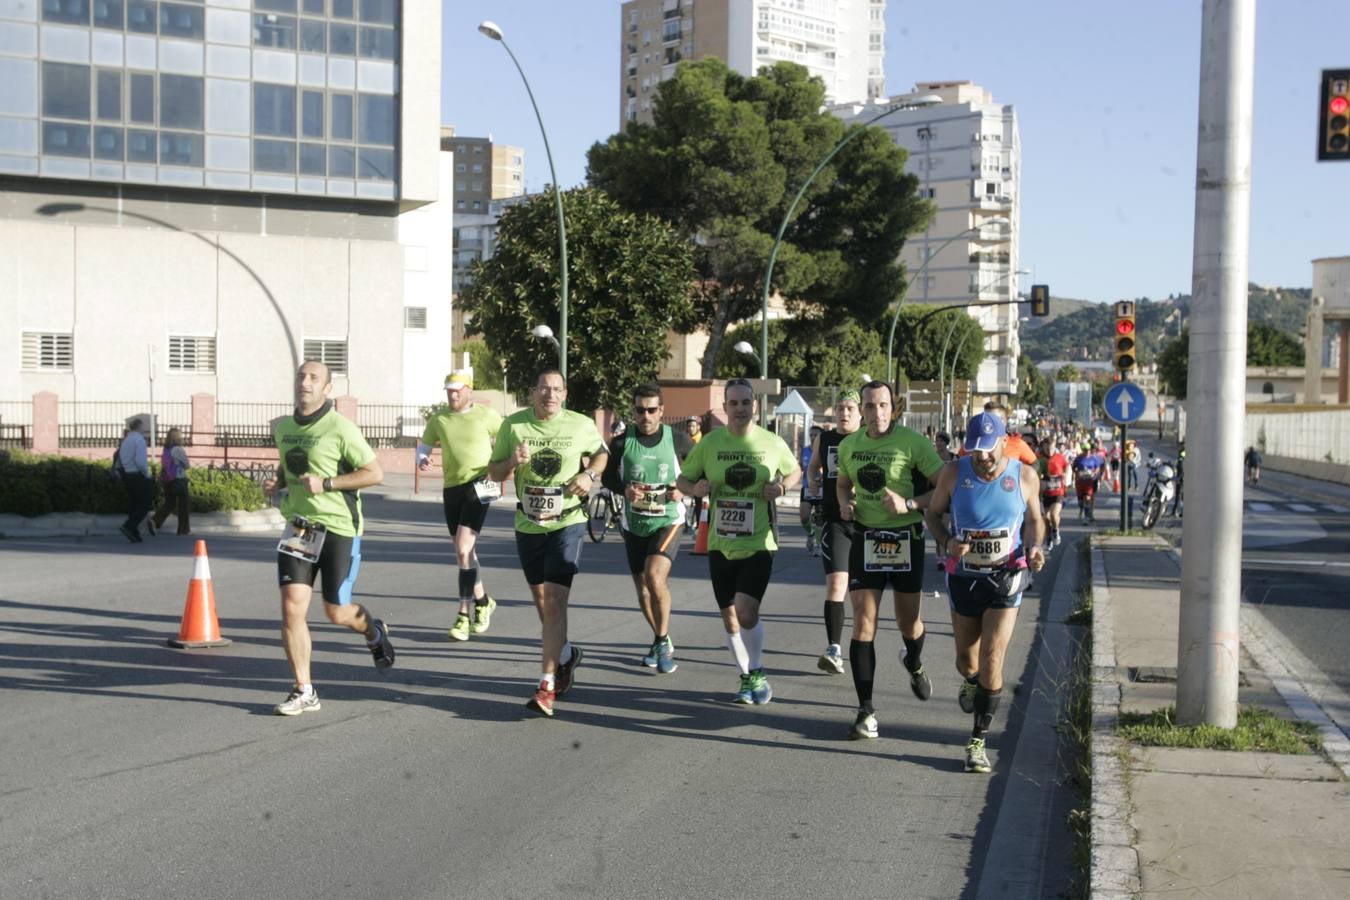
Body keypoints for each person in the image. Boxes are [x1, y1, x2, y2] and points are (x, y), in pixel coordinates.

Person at [265, 360, 392, 717]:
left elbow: (374, 472)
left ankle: (373, 630)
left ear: (327, 388)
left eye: (313, 378)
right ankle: (303, 689)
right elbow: (291, 464)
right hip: (300, 529)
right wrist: (279, 481)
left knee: (336, 611)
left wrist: (329, 484)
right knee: (292, 607)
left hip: (339, 528)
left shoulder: (341, 428)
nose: (304, 382)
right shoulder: (285, 427)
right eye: (301, 376)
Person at [924, 411, 1046, 773]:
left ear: (1003, 442)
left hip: (1007, 576)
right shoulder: (953, 474)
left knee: (993, 657)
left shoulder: (1024, 476)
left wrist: (1035, 547)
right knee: (968, 662)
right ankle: (973, 682)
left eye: (989, 449)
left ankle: (978, 740)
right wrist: (947, 541)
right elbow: (932, 515)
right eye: (976, 450)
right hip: (963, 576)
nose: (984, 457)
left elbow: (1035, 519)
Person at [488, 368, 608, 718]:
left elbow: (601, 453)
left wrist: (589, 475)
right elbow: (493, 473)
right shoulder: (514, 425)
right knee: (543, 604)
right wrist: (513, 461)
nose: (549, 395)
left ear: (565, 394)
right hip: (528, 522)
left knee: (555, 602)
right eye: (544, 389)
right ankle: (567, 655)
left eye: (556, 389)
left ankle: (546, 685)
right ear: (533, 391)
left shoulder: (580, 424)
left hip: (567, 520)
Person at [676, 378, 800, 705]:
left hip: (760, 540)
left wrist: (782, 487)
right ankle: (746, 676)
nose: (740, 409)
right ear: (725, 408)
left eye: (746, 402)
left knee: (746, 610)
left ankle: (757, 669)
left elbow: (795, 471)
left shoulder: (771, 442)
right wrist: (694, 489)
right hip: (720, 542)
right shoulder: (711, 443)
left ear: (755, 406)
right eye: (734, 403)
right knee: (729, 615)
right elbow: (683, 479)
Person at [835, 380, 945, 740]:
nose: (877, 412)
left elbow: (942, 484)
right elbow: (842, 484)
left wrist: (909, 504)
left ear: (893, 408)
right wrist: (844, 503)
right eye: (870, 406)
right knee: (863, 623)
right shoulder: (850, 445)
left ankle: (913, 660)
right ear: (862, 409)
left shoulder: (913, 442)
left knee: (908, 621)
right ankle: (866, 710)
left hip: (905, 538)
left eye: (883, 405)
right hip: (866, 537)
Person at [601, 383, 686, 674]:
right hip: (634, 522)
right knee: (643, 590)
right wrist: (625, 490)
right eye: (640, 410)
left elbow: (701, 470)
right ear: (633, 411)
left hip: (669, 519)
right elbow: (607, 478)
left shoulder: (678, 439)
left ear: (661, 411)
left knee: (654, 575)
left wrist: (684, 489)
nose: (645, 415)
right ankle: (661, 638)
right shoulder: (622, 442)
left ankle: (662, 643)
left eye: (651, 410)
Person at [418, 369, 503, 642]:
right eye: (449, 390)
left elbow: (507, 438)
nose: (452, 394)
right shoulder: (439, 419)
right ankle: (483, 601)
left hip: (482, 483)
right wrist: (423, 458)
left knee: (463, 547)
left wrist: (501, 465)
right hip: (452, 487)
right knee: (464, 552)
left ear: (469, 390)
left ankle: (463, 615)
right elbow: (425, 445)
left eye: (457, 390)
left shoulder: (486, 415)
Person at [807, 390, 861, 675]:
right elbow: (814, 465)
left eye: (850, 407)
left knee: (861, 593)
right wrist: (813, 483)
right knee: (837, 584)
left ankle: (862, 644)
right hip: (834, 519)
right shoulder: (825, 438)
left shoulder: (869, 439)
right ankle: (833, 648)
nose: (844, 413)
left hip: (866, 522)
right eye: (840, 407)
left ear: (860, 412)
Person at [116, 418, 153, 543]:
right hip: (138, 475)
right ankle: (129, 525)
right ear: (139, 427)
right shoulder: (139, 440)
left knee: (134, 503)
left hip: (127, 474)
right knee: (145, 503)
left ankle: (134, 532)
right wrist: (147, 474)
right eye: (143, 426)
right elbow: (140, 460)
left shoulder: (126, 440)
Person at [151, 427, 191, 535]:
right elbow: (187, 465)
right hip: (179, 480)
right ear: (178, 437)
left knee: (169, 503)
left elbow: (164, 465)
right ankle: (183, 530)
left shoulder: (166, 450)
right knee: (183, 505)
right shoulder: (178, 449)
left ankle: (155, 520)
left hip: (167, 479)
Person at [1036, 437, 1068, 547]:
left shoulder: (1060, 458)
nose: (1049, 451)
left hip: (1058, 493)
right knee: (1047, 518)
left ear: (1055, 447)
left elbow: (1067, 467)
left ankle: (1055, 530)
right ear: (1043, 448)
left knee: (1054, 515)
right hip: (1045, 494)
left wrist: (1066, 477)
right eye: (1047, 449)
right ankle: (1049, 535)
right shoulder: (1040, 460)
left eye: (1052, 449)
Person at [799, 424, 824, 552]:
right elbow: (799, 467)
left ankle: (819, 545)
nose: (813, 437)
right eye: (811, 435)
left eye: (816, 435)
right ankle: (810, 534)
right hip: (807, 488)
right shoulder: (804, 450)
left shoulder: (824, 450)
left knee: (820, 518)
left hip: (821, 489)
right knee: (804, 517)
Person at [1073, 442, 1105, 524]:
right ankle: (1081, 509)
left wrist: (1094, 473)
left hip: (1090, 481)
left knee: (1088, 498)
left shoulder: (1094, 458)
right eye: (1085, 450)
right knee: (1081, 501)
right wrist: (1077, 473)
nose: (1087, 452)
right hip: (1080, 482)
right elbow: (1073, 467)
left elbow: (1098, 467)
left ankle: (1087, 516)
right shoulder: (1078, 458)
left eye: (1089, 450)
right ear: (1083, 450)